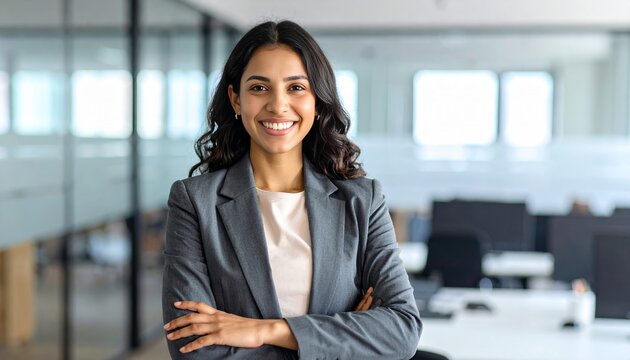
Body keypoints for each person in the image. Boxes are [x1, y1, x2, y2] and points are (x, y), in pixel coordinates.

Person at [161, 20, 422, 359]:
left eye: (296, 88)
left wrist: (263, 330)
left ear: (317, 100)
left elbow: (401, 331)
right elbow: (192, 349)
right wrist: (340, 338)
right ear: (235, 99)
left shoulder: (363, 201)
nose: (278, 105)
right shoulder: (195, 202)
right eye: (259, 88)